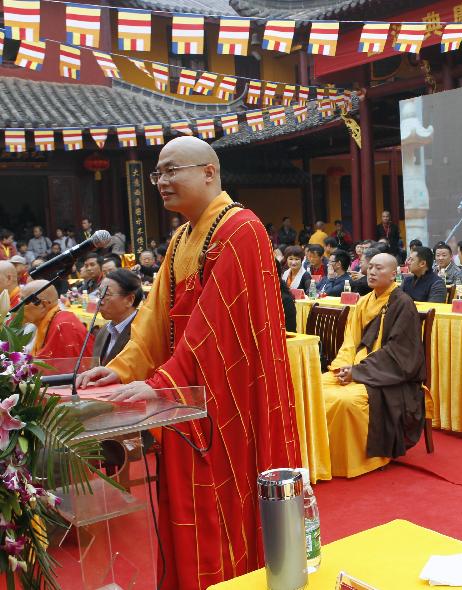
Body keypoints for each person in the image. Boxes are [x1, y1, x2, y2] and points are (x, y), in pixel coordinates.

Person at [75, 136, 299, 590]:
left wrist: (163, 382)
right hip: (187, 396)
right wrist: (122, 368)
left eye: (172, 170)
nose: (162, 181)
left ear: (209, 172)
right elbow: (156, 321)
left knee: (224, 508)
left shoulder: (241, 229)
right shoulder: (180, 239)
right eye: (158, 172)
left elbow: (213, 329)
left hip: (230, 396)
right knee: (186, 512)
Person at [322, 252, 425, 477]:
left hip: (388, 378)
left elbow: (398, 354)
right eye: (370, 268)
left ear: (394, 274)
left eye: (379, 268)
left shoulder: (402, 304)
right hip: (357, 368)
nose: (372, 272)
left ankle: (356, 461)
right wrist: (342, 367)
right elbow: (350, 341)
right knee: (318, 387)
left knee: (345, 400)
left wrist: (357, 372)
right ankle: (324, 456)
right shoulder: (364, 301)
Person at [21, 280, 92, 359]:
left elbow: (61, 368)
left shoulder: (63, 326)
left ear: (43, 305)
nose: (18, 307)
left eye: (23, 302)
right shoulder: (47, 322)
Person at [94, 269, 142, 366]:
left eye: (106, 295)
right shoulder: (104, 331)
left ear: (129, 300)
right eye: (99, 294)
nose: (100, 301)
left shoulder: (142, 333)